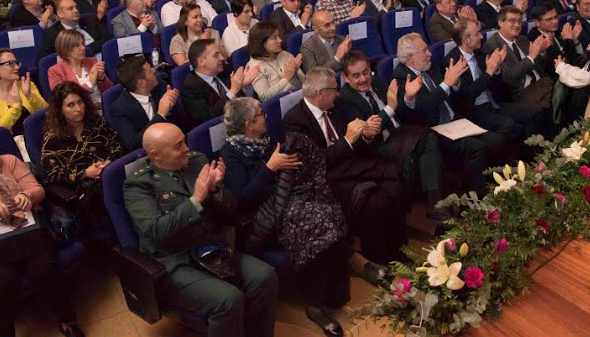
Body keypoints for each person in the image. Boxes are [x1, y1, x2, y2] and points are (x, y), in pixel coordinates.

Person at [221, 98, 387, 336]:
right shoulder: (231, 154)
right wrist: (270, 168)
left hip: (290, 198)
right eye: (260, 115)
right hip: (263, 217)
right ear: (249, 125)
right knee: (314, 230)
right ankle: (316, 304)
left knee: (327, 210)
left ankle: (342, 281)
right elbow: (243, 199)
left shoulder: (266, 140)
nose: (266, 117)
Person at [124, 122, 279, 337]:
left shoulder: (197, 161)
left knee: (265, 276)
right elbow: (157, 231)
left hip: (210, 246)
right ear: (156, 155)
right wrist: (196, 199)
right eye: (178, 146)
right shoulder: (139, 185)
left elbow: (230, 210)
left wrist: (215, 191)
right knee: (229, 300)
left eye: (185, 141)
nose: (187, 148)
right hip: (174, 261)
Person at [283, 67, 409, 264]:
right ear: (320, 93)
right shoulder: (295, 120)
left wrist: (365, 135)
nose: (338, 93)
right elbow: (313, 163)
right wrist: (348, 140)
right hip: (326, 178)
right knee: (377, 201)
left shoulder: (333, 109)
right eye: (334, 89)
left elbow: (354, 144)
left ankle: (398, 248)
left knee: (396, 187)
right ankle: (378, 257)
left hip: (351, 166)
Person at [337, 51, 451, 222]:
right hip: (378, 147)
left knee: (430, 138)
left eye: (366, 72)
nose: (363, 79)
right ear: (346, 78)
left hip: (400, 134)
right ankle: (436, 204)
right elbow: (369, 128)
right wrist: (390, 108)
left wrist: (408, 97)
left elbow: (399, 112)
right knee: (428, 139)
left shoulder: (378, 83)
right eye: (356, 76)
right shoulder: (345, 99)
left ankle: (439, 203)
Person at [392, 33, 506, 197]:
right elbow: (424, 107)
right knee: (476, 148)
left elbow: (453, 93)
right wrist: (447, 84)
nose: (429, 53)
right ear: (411, 57)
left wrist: (456, 83)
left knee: (497, 140)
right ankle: (477, 196)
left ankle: (497, 184)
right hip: (434, 130)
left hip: (456, 121)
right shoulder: (401, 78)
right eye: (424, 51)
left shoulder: (430, 66)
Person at [0, 153, 87, 337]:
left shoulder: (9, 161)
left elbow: (37, 189)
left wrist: (27, 195)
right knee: (4, 280)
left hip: (29, 232)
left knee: (43, 268)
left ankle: (67, 321)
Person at [41, 81, 125, 240]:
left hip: (110, 174)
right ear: (60, 109)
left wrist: (109, 162)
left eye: (80, 102)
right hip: (82, 191)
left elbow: (116, 145)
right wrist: (84, 173)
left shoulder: (95, 122)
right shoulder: (52, 139)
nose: (78, 109)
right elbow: (51, 175)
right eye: (70, 105)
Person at [446, 19, 544, 142]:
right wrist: (489, 72)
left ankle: (529, 155)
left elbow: (498, 86)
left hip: (494, 103)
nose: (481, 36)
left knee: (535, 113)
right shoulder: (453, 62)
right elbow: (467, 95)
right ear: (466, 40)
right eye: (477, 34)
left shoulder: (479, 53)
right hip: (474, 111)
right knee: (508, 124)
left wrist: (497, 69)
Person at [482, 6, 554, 109]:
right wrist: (531, 57)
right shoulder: (492, 46)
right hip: (520, 93)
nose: (517, 25)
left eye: (519, 21)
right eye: (512, 21)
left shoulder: (522, 39)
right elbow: (508, 78)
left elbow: (539, 67)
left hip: (541, 84)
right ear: (500, 23)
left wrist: (541, 52)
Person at [111, 54, 183, 150]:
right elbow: (134, 143)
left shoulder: (161, 86)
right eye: (150, 71)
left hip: (174, 144)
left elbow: (184, 124)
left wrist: (172, 107)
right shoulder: (120, 109)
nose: (154, 70)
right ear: (142, 83)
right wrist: (161, 114)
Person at [181, 39, 259, 126]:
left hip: (245, 119)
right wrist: (233, 91)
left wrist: (244, 86)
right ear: (201, 62)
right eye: (216, 55)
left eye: (220, 54)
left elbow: (247, 99)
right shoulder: (191, 87)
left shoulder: (225, 69)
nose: (222, 58)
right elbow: (209, 117)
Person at [47, 30, 114, 107]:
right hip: (79, 114)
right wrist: (89, 84)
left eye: (83, 44)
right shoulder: (55, 71)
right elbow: (63, 99)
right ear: (65, 48)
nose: (83, 48)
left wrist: (101, 79)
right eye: (77, 45)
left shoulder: (93, 61)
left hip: (104, 107)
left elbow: (110, 91)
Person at [246, 22, 304, 101]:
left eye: (278, 36)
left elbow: (304, 82)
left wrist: (296, 73)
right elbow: (264, 97)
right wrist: (287, 78)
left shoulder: (285, 55)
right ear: (261, 43)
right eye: (274, 38)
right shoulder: (255, 67)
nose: (280, 40)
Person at [37, 0, 108, 61]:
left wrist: (87, 50)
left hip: (102, 59)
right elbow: (42, 59)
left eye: (76, 7)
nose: (76, 10)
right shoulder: (52, 33)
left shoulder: (91, 21)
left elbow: (107, 38)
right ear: (60, 14)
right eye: (70, 8)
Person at [0, 48, 46, 138]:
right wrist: (16, 107)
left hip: (37, 138)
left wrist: (30, 95)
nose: (17, 67)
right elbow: (1, 131)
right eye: (10, 63)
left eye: (16, 63)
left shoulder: (27, 85)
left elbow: (47, 112)